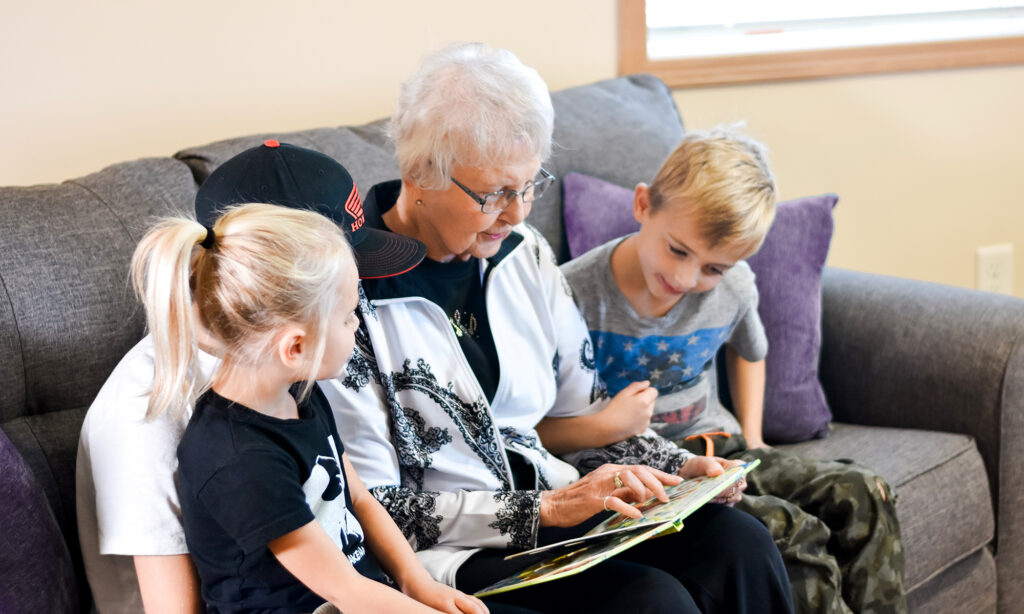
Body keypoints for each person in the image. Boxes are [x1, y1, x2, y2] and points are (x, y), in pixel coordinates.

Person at [320, 43, 794, 614]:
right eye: (494, 193)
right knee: (650, 601)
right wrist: (544, 510)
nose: (519, 213)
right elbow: (370, 504)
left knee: (738, 541)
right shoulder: (350, 294)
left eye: (529, 186)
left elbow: (586, 411)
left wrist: (679, 467)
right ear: (420, 171)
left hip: (560, 499)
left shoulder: (525, 255)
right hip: (453, 549)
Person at [551, 127, 907, 614]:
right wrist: (608, 426)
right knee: (789, 530)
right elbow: (533, 423)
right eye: (677, 250)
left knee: (864, 491)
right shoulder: (570, 294)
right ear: (642, 206)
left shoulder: (735, 287)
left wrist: (755, 437)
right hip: (651, 469)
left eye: (712, 268)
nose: (685, 278)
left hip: (725, 447)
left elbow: (751, 350)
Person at [75, 141, 427, 613]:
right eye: (344, 298)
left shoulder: (283, 379)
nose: (360, 313)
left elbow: (349, 496)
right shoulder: (150, 412)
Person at [128, 200, 485, 613]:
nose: (357, 325)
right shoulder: (238, 459)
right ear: (296, 347)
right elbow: (344, 591)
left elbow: (360, 499)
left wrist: (419, 584)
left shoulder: (300, 393)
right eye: (349, 316)